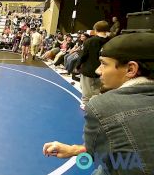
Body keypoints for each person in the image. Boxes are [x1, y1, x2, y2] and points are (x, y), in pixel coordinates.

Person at [43, 32, 154, 175]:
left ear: (131, 69)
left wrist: (81, 152)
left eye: (103, 64)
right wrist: (73, 150)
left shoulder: (103, 107)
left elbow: (94, 159)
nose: (98, 70)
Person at [76, 21, 110, 110]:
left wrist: (77, 66)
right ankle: (95, 103)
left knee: (86, 88)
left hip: (89, 69)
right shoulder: (110, 41)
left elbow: (83, 55)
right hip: (104, 70)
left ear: (95, 29)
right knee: (97, 88)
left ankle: (86, 104)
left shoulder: (90, 41)